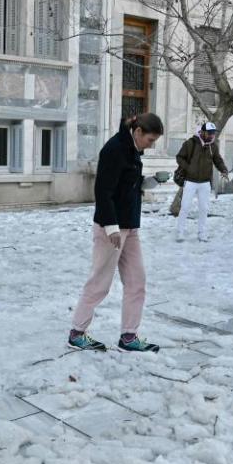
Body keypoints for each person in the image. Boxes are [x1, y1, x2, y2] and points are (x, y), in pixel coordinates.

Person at [68, 113, 165, 353]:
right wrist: (110, 227)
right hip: (111, 228)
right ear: (138, 132)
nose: (150, 145)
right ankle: (77, 333)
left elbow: (128, 183)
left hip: (129, 227)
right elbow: (103, 191)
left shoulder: (132, 149)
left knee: (136, 281)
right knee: (100, 282)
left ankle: (128, 337)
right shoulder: (114, 149)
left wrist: (151, 181)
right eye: (150, 140)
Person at [175, 121, 229, 242]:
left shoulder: (213, 146)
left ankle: (202, 233)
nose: (211, 136)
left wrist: (224, 170)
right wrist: (188, 168)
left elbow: (218, 160)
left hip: (205, 183)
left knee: (204, 208)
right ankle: (180, 232)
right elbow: (179, 157)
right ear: (203, 132)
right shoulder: (190, 143)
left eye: (213, 133)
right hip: (190, 181)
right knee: (185, 207)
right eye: (209, 133)